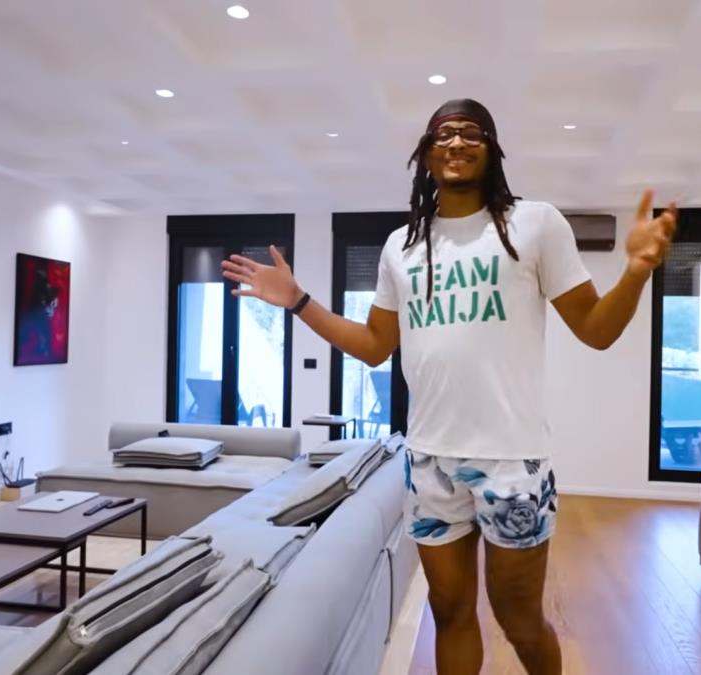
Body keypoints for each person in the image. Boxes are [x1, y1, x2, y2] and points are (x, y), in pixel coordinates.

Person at [221, 98, 676, 675]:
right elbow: (375, 345)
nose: (456, 142)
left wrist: (636, 272)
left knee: (519, 618)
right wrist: (299, 301)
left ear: (492, 149)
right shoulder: (401, 245)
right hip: (429, 459)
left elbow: (596, 330)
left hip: (512, 460)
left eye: (471, 132)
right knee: (449, 612)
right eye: (443, 134)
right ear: (425, 153)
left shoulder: (535, 224)